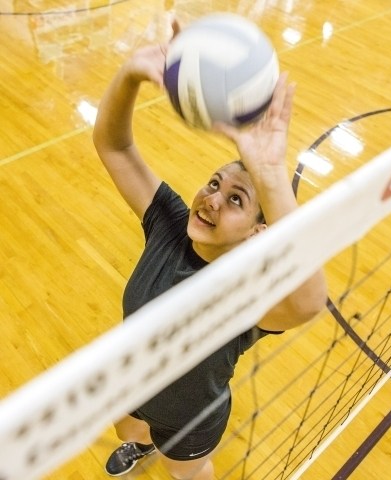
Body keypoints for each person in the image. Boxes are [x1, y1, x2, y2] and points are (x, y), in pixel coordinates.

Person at [92, 22, 328, 480]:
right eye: (215, 183)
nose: (212, 198)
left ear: (260, 232)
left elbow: (308, 302)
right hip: (131, 386)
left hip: (190, 423)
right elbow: (114, 146)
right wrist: (129, 75)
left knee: (191, 473)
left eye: (236, 199)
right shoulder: (169, 225)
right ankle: (142, 447)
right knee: (129, 430)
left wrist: (269, 173)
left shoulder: (246, 296)